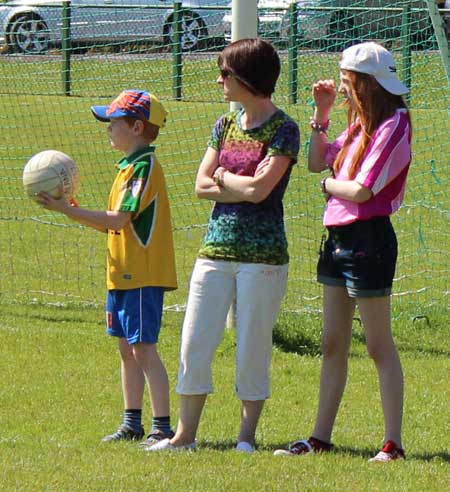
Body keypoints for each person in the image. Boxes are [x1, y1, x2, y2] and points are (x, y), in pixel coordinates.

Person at [146, 38, 300, 453]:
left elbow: (260, 190)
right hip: (215, 251)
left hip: (262, 258)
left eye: (225, 73)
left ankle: (246, 439)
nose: (219, 80)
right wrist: (239, 185)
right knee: (194, 341)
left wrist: (225, 181)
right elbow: (200, 185)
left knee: (252, 345)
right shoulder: (224, 125)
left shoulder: (285, 129)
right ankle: (184, 437)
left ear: (246, 78)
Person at [274, 42, 412, 463]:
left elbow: (359, 189)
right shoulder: (357, 123)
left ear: (368, 84)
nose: (341, 87)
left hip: (369, 241)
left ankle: (393, 443)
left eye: (347, 81)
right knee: (332, 343)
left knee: (377, 344)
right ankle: (319, 438)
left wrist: (328, 186)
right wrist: (320, 115)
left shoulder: (395, 123)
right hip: (337, 239)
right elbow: (318, 162)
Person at [38, 89, 177, 447]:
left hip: (143, 274)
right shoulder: (127, 167)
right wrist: (75, 209)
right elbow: (112, 224)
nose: (108, 130)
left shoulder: (144, 166)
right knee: (126, 349)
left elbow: (120, 217)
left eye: (113, 123)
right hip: (122, 273)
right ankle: (132, 423)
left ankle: (163, 427)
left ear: (136, 126)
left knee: (144, 349)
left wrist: (65, 210)